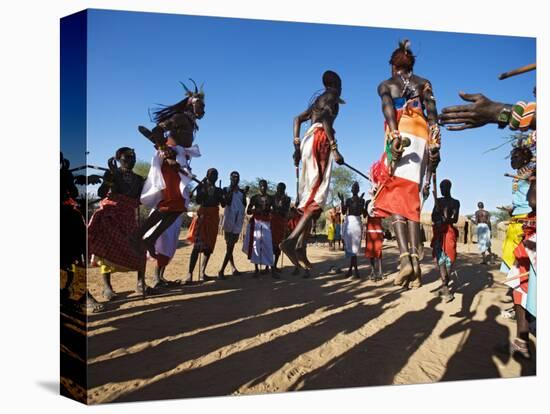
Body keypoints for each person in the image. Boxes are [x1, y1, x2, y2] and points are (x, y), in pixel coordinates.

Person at [368, 40, 441, 288]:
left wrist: (395, 133)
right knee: (411, 198)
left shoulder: (386, 84)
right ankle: (417, 269)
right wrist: (434, 136)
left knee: (394, 195)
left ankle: (405, 259)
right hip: (422, 136)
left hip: (402, 133)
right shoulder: (424, 83)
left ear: (392, 65)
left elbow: (388, 108)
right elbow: (432, 109)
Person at [280, 70, 345, 277]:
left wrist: (297, 147)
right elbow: (326, 118)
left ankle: (300, 248)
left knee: (310, 199)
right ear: (335, 83)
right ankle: (290, 242)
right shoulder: (332, 95)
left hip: (308, 140)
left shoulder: (317, 100)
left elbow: (297, 119)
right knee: (317, 196)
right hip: (320, 141)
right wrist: (334, 148)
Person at [133, 80, 204, 258]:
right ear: (191, 103)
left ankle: (149, 239)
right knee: (170, 203)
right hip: (169, 162)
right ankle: (136, 236)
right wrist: (167, 155)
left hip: (179, 162)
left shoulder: (189, 122)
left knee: (178, 206)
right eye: (200, 105)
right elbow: (156, 132)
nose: (203, 109)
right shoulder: (179, 118)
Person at [88, 148, 148, 300]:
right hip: (111, 216)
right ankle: (107, 287)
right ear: (118, 159)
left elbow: (142, 198)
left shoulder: (139, 179)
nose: (131, 160)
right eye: (127, 157)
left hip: (128, 217)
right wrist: (111, 177)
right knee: (107, 249)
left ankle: (141, 283)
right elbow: (102, 193)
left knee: (139, 248)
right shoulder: (112, 174)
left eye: (133, 157)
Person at [499, 144, 535, 274]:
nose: (512, 160)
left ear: (525, 160)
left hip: (527, 217)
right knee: (511, 251)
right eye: (511, 158)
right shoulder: (517, 176)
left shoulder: (530, 174)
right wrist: (511, 209)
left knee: (522, 254)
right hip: (516, 216)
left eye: (516, 157)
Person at [186, 168, 226, 282]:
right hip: (203, 216)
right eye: (212, 174)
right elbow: (198, 201)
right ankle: (190, 274)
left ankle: (202, 272)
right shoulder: (201, 187)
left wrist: (223, 196)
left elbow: (223, 204)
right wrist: (204, 191)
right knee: (197, 247)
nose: (214, 177)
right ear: (207, 176)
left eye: (216, 175)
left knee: (209, 247)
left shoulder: (219, 190)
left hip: (213, 218)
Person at [430, 179, 460, 302]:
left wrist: (447, 218)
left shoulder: (455, 202)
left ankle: (445, 284)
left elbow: (456, 219)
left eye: (444, 187)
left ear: (449, 188)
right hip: (438, 232)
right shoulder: (438, 201)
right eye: (441, 187)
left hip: (449, 232)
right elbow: (433, 216)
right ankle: (445, 286)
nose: (442, 190)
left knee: (450, 258)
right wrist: (438, 214)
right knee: (440, 258)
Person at [243, 180, 276, 277]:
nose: (263, 188)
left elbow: (274, 210)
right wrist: (254, 210)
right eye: (261, 186)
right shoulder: (254, 198)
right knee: (256, 245)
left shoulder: (271, 198)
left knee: (268, 245)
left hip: (267, 223)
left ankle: (268, 267)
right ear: (259, 187)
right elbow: (248, 211)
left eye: (265, 186)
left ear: (267, 187)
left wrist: (271, 212)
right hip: (256, 223)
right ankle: (256, 269)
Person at [219, 171, 248, 279]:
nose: (235, 179)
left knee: (231, 246)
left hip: (238, 221)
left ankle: (232, 268)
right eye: (233, 177)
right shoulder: (226, 190)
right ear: (230, 178)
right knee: (229, 246)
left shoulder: (241, 192)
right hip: (229, 220)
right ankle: (221, 270)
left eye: (237, 177)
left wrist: (244, 193)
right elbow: (226, 203)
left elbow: (244, 204)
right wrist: (231, 190)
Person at [339, 182, 365, 278]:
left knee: (355, 248)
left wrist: (362, 203)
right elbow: (343, 211)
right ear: (351, 189)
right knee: (351, 248)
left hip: (357, 222)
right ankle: (353, 270)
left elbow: (364, 213)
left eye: (356, 187)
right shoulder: (348, 200)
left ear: (358, 190)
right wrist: (342, 201)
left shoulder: (361, 200)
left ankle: (353, 270)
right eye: (353, 187)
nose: (354, 189)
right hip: (349, 223)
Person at [271, 183, 291, 273]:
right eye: (278, 188)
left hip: (281, 223)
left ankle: (274, 265)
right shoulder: (272, 198)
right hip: (272, 222)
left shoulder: (287, 199)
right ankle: (269, 266)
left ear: (284, 189)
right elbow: (270, 209)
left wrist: (280, 208)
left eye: (282, 189)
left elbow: (286, 211)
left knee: (279, 245)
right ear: (276, 188)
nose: (279, 190)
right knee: (270, 244)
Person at [365, 201, 385, 281]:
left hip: (378, 230)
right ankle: (373, 271)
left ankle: (380, 272)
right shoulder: (368, 202)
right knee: (371, 251)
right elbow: (364, 214)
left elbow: (384, 216)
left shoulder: (380, 203)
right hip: (370, 230)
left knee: (378, 250)